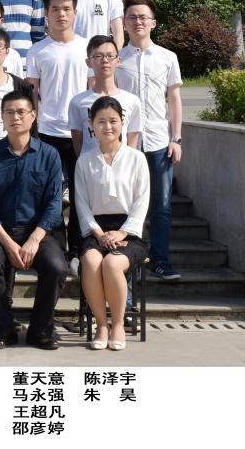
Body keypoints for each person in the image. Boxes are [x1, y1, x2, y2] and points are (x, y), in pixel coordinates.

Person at [0, 92, 65, 350]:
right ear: (2, 117)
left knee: (56, 266)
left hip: (38, 232)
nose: (15, 117)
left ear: (33, 116)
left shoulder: (49, 155)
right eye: (9, 112)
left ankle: (40, 330)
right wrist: (7, 242)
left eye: (21, 112)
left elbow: (54, 204)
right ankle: (3, 329)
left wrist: (34, 239)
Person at [114, 0, 183, 281]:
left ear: (153, 22)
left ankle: (160, 260)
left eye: (143, 17)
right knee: (126, 205)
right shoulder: (116, 59)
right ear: (124, 23)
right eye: (132, 17)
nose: (138, 21)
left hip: (158, 142)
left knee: (161, 206)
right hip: (125, 144)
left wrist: (176, 138)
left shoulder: (168, 57)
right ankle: (126, 261)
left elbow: (174, 99)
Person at [76, 97, 150, 351]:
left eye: (113, 121)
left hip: (130, 229)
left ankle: (118, 323)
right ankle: (101, 324)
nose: (107, 126)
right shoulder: (84, 161)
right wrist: (98, 234)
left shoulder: (137, 159)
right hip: (95, 229)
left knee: (112, 263)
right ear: (91, 125)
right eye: (101, 121)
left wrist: (123, 232)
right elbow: (81, 204)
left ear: (122, 122)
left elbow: (142, 201)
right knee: (91, 261)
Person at [26, 0, 90, 267]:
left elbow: (92, 91)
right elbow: (32, 94)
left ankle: (76, 250)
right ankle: (52, 249)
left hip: (80, 133)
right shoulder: (37, 50)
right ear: (46, 13)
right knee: (48, 194)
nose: (61, 14)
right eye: (55, 9)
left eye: (66, 9)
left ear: (75, 12)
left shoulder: (87, 47)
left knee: (80, 194)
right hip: (47, 131)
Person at [69, 35, 142, 155]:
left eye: (110, 56)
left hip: (122, 164)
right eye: (98, 56)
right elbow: (78, 142)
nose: (105, 60)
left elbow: (132, 140)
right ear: (88, 62)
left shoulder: (132, 101)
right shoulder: (77, 102)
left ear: (118, 61)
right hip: (90, 164)